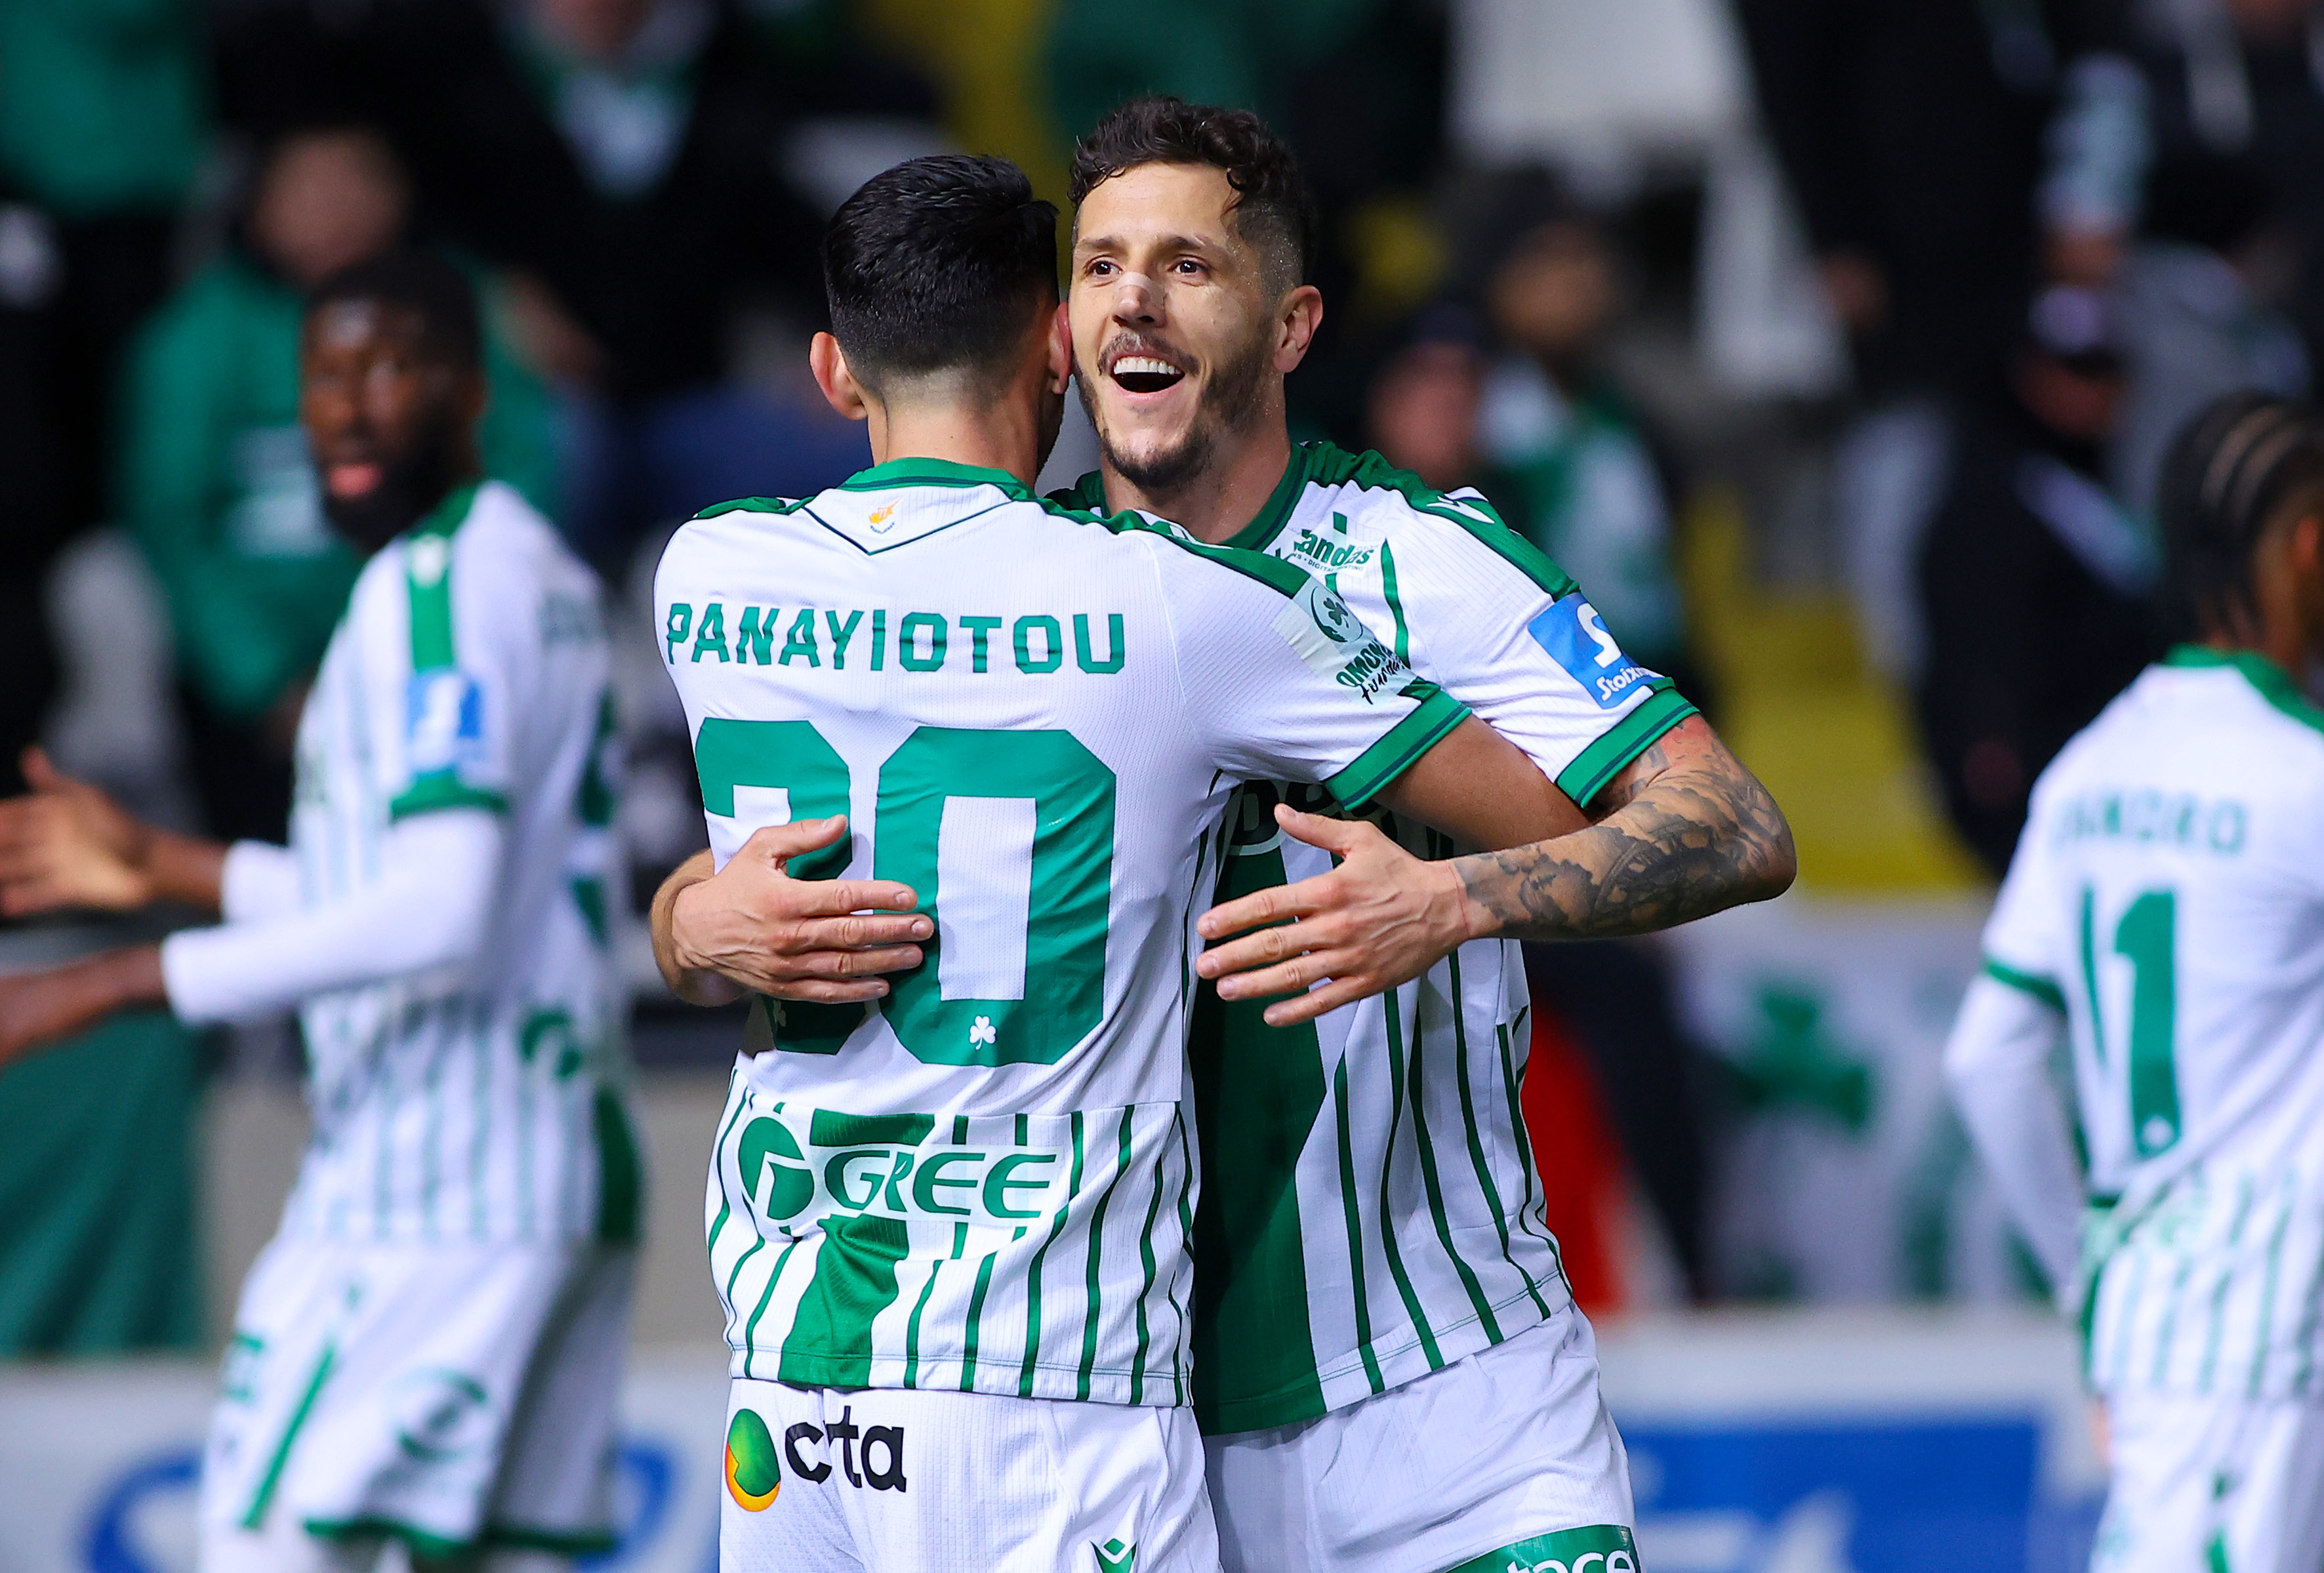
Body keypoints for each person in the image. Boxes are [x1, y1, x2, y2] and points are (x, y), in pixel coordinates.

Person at [661, 100, 1795, 1573]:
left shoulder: (1418, 560)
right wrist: (694, 918)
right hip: (1139, 1423)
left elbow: (1731, 822)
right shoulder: (1023, 584)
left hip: (1448, 1389)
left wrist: (1454, 897)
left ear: (1291, 323)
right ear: (1057, 334)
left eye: (1187, 265)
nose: (1135, 298)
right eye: (1101, 265)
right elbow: (798, 841)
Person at [0, 251, 636, 1568]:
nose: (346, 409)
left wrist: (116, 978)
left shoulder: (433, 591)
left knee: (269, 1544)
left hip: (430, 1185)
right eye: (323, 376)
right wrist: (172, 864)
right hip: (552, 1159)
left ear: (471, 388)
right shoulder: (536, 574)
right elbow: (434, 893)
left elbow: (438, 913)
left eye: (389, 367)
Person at [1943, 390, 2324, 1573]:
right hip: (2265, 1321)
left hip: (2163, 1320)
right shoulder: (2298, 777)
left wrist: (2093, 1284)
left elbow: (1986, 1059)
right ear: (2302, 543)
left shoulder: (2089, 768)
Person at [122, 126, 558, 843]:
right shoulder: (195, 336)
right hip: (272, 671)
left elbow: (522, 466)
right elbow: (173, 523)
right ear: (257, 205)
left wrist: (445, 637)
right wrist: (266, 681)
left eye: (359, 180)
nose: (337, 209)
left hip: (449, 650)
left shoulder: (458, 304)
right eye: (309, 187)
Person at [1915, 285, 2159, 874]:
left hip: (2120, 756)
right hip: (2036, 767)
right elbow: (1970, 625)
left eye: (2108, 370)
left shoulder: (2106, 481)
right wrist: (1986, 733)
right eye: (2078, 370)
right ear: (2029, 373)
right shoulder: (1989, 493)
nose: (2097, 391)